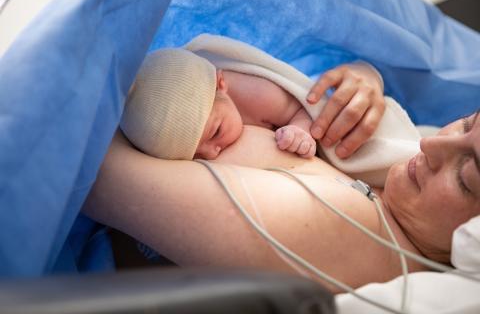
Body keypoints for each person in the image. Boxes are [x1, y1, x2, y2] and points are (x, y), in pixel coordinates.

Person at [82, 97, 480, 291]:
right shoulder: (400, 204)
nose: (429, 147)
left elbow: (91, 172)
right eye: (465, 124)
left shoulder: (350, 234)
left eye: (467, 178)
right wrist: (360, 79)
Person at [120, 34, 385, 161]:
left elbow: (304, 108)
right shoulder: (203, 122)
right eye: (194, 157)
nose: (211, 154)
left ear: (221, 84)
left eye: (215, 132)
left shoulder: (256, 94)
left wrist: (300, 131)